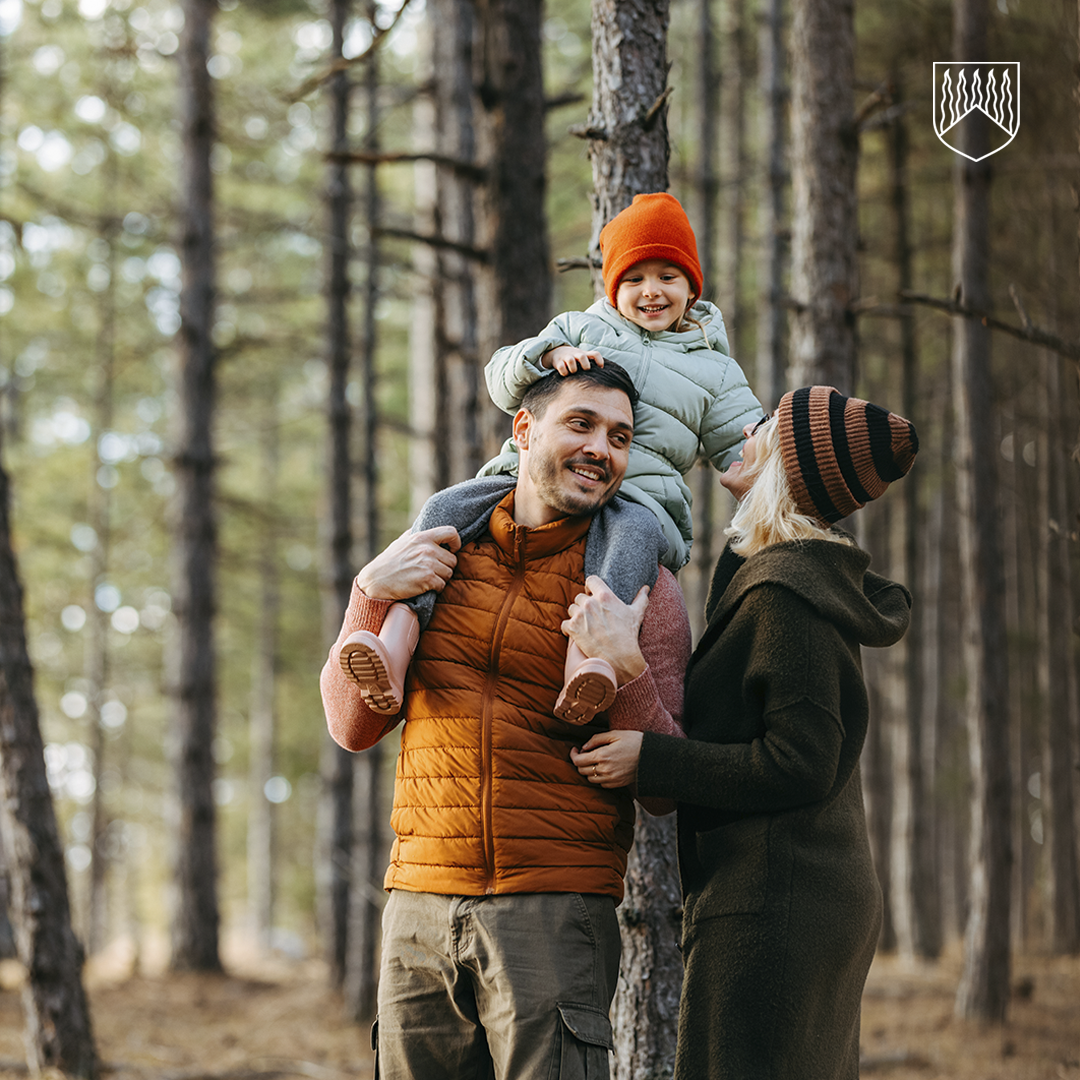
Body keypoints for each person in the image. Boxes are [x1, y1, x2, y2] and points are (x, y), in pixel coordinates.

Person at [320, 362, 691, 1080]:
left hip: (555, 909)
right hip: (418, 908)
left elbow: (665, 785)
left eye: (620, 437)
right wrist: (368, 595)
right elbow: (351, 728)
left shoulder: (644, 589)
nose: (602, 450)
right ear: (524, 429)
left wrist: (628, 668)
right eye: (580, 424)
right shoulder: (435, 557)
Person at [570, 385, 919, 1080]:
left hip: (777, 901)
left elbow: (801, 762)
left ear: (787, 464)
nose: (747, 432)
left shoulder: (788, 593)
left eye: (767, 428)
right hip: (796, 889)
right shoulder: (783, 575)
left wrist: (655, 758)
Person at [339, 191, 761, 725]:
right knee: (444, 509)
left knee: (622, 562)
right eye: (634, 279)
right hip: (524, 482)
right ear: (613, 286)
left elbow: (743, 436)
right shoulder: (582, 327)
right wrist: (547, 355)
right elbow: (501, 376)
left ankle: (587, 668)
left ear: (692, 286)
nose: (651, 292)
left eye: (667, 277)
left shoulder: (714, 370)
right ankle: (393, 644)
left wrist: (761, 460)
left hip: (639, 502)